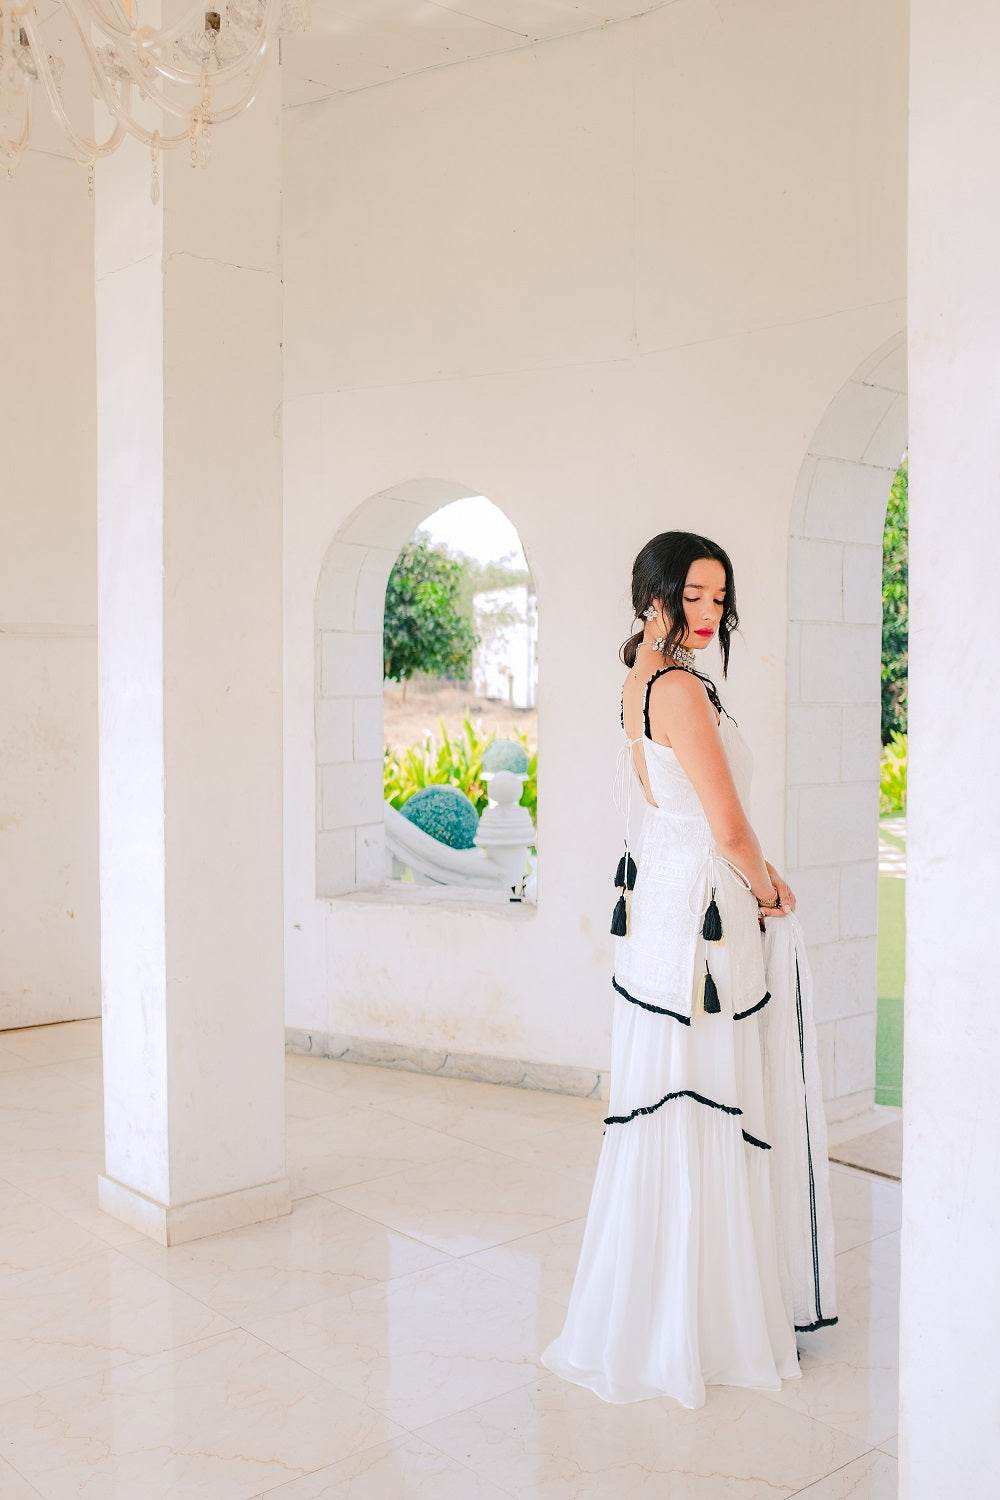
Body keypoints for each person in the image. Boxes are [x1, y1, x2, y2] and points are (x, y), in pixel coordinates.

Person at [540, 530, 837, 1411]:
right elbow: (727, 821)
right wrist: (767, 882)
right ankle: (703, 1326)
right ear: (654, 595)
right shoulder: (678, 691)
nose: (708, 615)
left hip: (669, 914)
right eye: (692, 597)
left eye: (719, 599)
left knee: (675, 1097)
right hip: (702, 917)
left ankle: (676, 1316)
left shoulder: (639, 678)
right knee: (705, 1093)